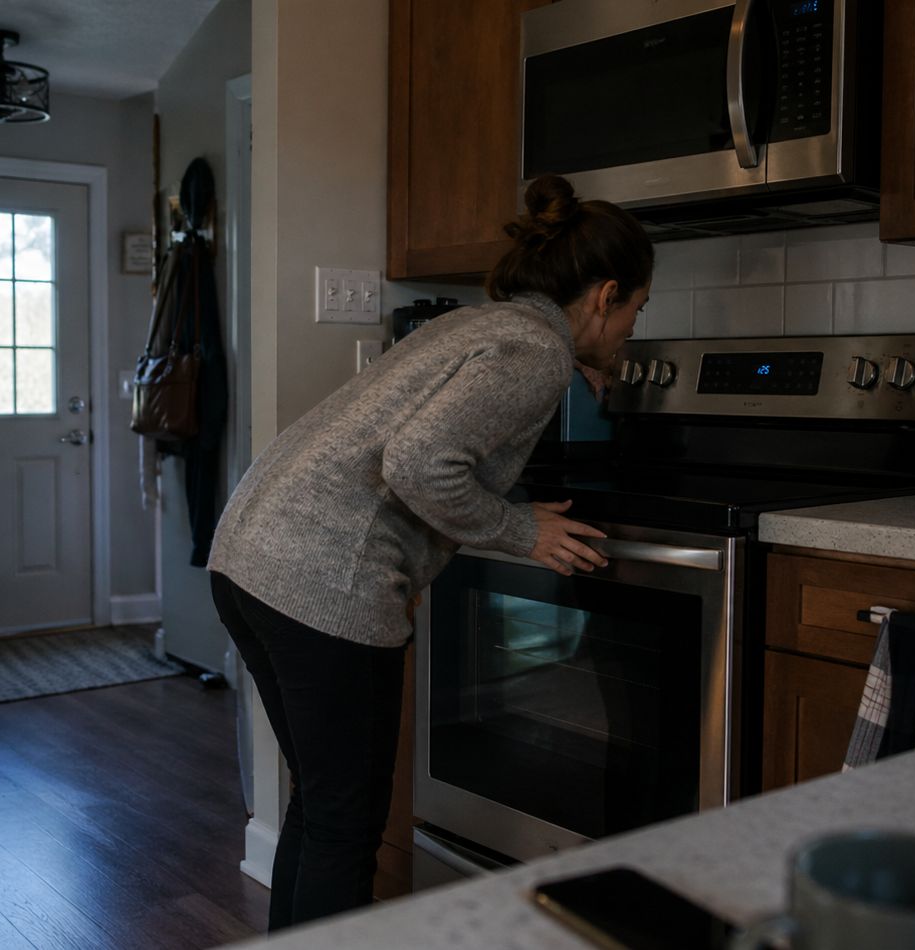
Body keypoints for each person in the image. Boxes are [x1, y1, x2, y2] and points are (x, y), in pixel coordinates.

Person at [207, 173, 653, 929]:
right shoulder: (536, 349)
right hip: (321, 580)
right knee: (346, 825)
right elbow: (418, 462)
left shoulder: (483, 327)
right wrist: (522, 528)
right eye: (637, 311)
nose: (632, 331)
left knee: (321, 812)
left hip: (252, 557)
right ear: (606, 295)